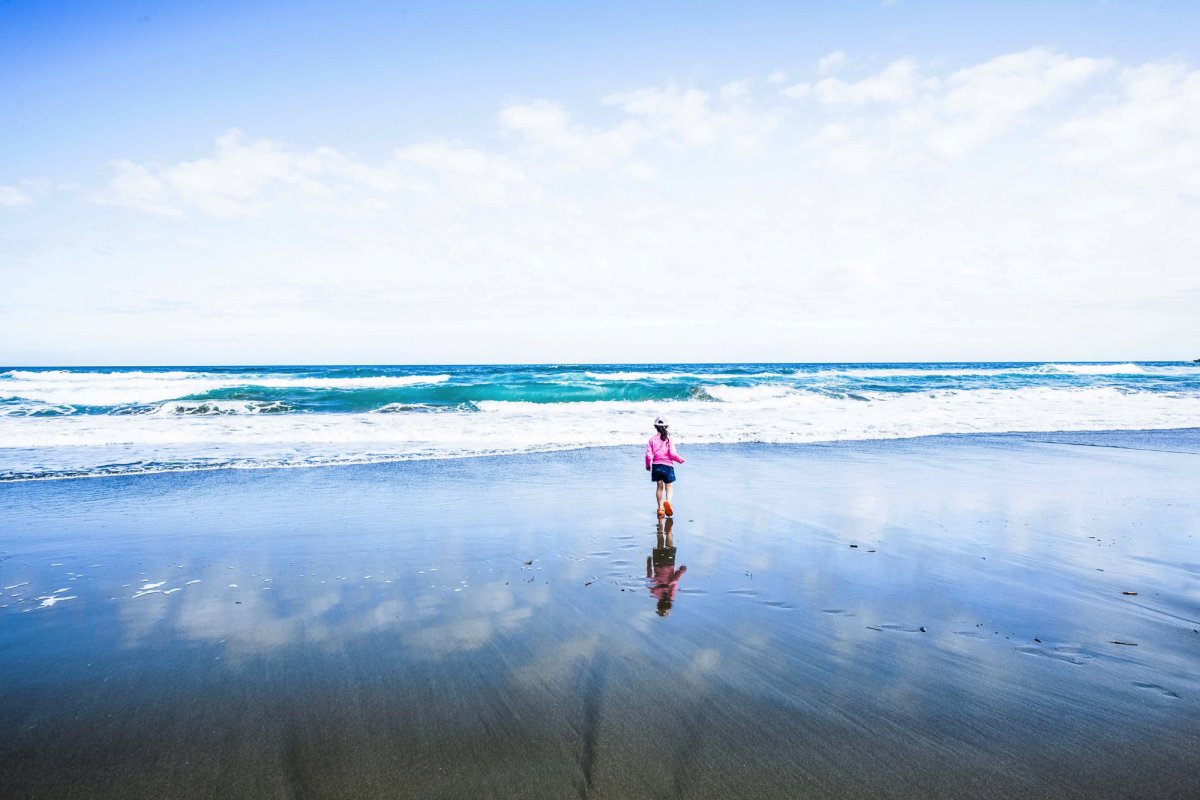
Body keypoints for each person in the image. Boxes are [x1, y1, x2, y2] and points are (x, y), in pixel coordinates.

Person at [645, 415, 685, 518]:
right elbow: (672, 453)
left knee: (659, 486)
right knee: (669, 485)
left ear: (655, 427)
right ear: (666, 427)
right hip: (667, 466)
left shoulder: (652, 439)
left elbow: (648, 455)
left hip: (656, 466)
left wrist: (648, 465)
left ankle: (660, 508)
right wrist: (680, 460)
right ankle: (668, 502)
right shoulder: (669, 439)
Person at [647, 518, 686, 616]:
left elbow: (674, 580)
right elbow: (649, 576)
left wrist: (681, 571)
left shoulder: (670, 594)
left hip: (668, 563)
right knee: (660, 543)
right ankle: (660, 523)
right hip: (658, 563)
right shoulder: (654, 593)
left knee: (669, 545)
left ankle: (668, 531)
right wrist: (648, 563)